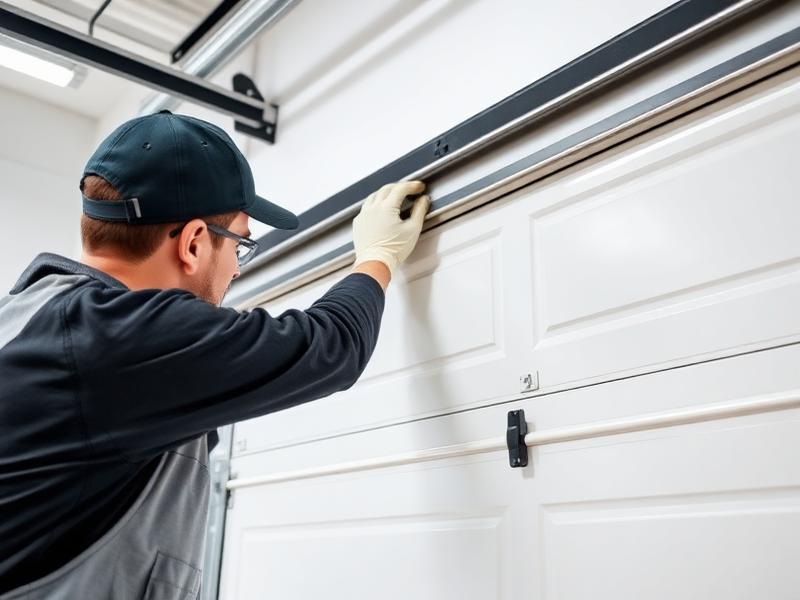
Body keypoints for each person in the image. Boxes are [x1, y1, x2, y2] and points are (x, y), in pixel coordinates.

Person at [0, 110, 430, 597]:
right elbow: (330, 346)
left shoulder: (28, 313)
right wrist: (377, 256)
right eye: (240, 244)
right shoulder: (120, 338)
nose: (237, 270)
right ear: (194, 242)